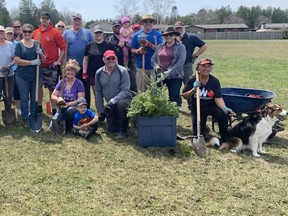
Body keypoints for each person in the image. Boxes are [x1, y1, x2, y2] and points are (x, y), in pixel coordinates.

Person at [181, 57, 233, 140]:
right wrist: (193, 89)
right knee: (198, 135)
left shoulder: (215, 81)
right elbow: (184, 96)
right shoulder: (192, 80)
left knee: (222, 114)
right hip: (197, 108)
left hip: (210, 106)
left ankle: (224, 137)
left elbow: (218, 98)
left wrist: (224, 108)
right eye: (204, 66)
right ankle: (203, 129)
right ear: (198, 67)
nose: (206, 69)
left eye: (209, 67)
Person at [33, 12, 66, 115]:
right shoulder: (35, 32)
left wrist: (58, 61)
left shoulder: (55, 32)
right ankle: (39, 107)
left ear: (49, 20)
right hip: (38, 65)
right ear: (40, 19)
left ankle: (54, 109)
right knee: (38, 88)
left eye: (46, 19)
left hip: (50, 65)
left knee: (52, 89)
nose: (44, 20)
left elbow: (63, 47)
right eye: (43, 18)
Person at [14, 23, 46, 125]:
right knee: (24, 97)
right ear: (22, 32)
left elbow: (44, 60)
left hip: (36, 76)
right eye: (25, 31)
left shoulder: (38, 43)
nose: (27, 33)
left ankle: (33, 116)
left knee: (34, 97)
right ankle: (25, 118)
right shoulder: (19, 44)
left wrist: (41, 53)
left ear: (32, 32)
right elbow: (17, 60)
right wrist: (31, 62)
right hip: (22, 76)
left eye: (29, 31)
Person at [95, 50, 132, 139]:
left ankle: (124, 130)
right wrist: (101, 111)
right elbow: (98, 92)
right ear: (104, 60)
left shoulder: (123, 71)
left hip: (123, 100)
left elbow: (125, 90)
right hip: (110, 104)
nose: (111, 60)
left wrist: (112, 101)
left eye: (113, 58)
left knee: (122, 105)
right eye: (108, 58)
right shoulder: (99, 73)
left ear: (116, 59)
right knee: (112, 129)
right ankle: (116, 121)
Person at [174, 21, 208, 109]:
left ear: (184, 28)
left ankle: (191, 104)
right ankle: (177, 104)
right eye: (177, 28)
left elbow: (204, 46)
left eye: (180, 28)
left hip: (186, 65)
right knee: (175, 85)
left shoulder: (191, 37)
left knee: (188, 84)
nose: (178, 30)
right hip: (175, 66)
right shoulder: (173, 37)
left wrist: (195, 56)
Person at [63, 13, 93, 107]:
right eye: (75, 20)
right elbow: (63, 50)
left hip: (84, 66)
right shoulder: (66, 33)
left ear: (81, 21)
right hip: (71, 66)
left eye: (79, 20)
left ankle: (85, 108)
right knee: (71, 87)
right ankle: (72, 107)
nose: (77, 22)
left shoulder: (87, 33)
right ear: (72, 21)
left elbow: (92, 47)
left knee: (85, 88)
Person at [151, 26, 186, 106]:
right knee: (157, 96)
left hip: (175, 77)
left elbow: (180, 63)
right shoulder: (160, 47)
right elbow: (153, 59)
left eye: (171, 35)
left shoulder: (181, 47)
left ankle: (174, 115)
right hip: (160, 75)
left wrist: (168, 73)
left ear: (174, 36)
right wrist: (156, 67)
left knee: (173, 98)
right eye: (166, 35)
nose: (168, 37)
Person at [82, 25, 116, 108]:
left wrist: (116, 70)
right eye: (96, 33)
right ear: (94, 34)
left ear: (103, 34)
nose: (98, 34)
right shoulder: (89, 45)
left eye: (100, 32)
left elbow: (115, 59)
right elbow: (85, 59)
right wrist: (84, 72)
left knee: (109, 95)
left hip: (107, 74)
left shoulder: (109, 45)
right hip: (93, 74)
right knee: (97, 95)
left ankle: (111, 114)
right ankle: (100, 114)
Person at [50, 59, 85, 132]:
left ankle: (71, 125)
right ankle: (64, 124)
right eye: (68, 70)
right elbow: (53, 95)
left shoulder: (79, 83)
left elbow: (81, 100)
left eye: (72, 70)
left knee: (70, 111)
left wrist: (68, 104)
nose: (70, 72)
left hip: (74, 108)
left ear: (75, 72)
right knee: (52, 127)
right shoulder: (61, 82)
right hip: (62, 108)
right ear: (65, 72)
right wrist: (59, 99)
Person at [131, 14, 162, 92]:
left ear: (153, 23)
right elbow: (132, 49)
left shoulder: (157, 34)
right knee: (141, 91)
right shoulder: (137, 35)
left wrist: (149, 44)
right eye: (146, 21)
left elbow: (160, 49)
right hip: (141, 67)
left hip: (154, 67)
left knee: (154, 92)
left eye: (150, 21)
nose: (148, 23)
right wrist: (139, 51)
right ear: (143, 23)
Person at [106, 20, 137, 94]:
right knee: (118, 88)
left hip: (130, 66)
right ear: (112, 28)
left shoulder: (127, 37)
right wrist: (118, 46)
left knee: (132, 87)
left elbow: (133, 47)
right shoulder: (109, 40)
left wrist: (125, 44)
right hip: (116, 67)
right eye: (115, 26)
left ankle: (133, 104)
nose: (117, 27)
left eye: (118, 26)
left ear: (121, 27)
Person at [5, 27, 21, 116]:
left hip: (15, 70)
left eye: (11, 34)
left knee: (16, 90)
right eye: (8, 34)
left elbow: (17, 57)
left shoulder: (16, 44)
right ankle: (8, 108)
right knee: (6, 92)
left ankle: (18, 108)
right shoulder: (2, 44)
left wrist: (11, 64)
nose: (9, 35)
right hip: (4, 71)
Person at [0, 25, 15, 119]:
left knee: (8, 95)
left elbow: (15, 59)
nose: (0, 34)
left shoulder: (10, 45)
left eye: (2, 32)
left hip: (9, 75)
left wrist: (10, 65)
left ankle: (8, 112)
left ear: (4, 33)